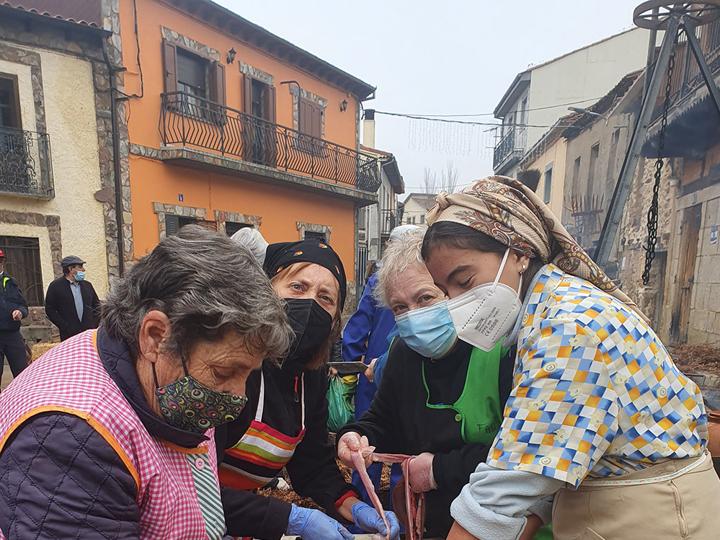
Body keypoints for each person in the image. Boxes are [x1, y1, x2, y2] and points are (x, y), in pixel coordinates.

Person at [419, 176, 720, 540]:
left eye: (464, 281)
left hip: (654, 519)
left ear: (518, 252)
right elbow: (547, 458)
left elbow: (510, 483)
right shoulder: (546, 313)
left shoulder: (568, 326)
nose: (457, 305)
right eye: (446, 292)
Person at [0, 226, 293, 538]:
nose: (238, 396)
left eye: (248, 374)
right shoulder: (70, 439)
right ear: (155, 335)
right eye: (224, 373)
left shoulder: (168, 377)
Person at [336, 226, 516, 538]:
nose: (413, 317)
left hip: (499, 523)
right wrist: (355, 436)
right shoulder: (403, 353)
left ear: (454, 290)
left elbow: (518, 456)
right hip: (430, 521)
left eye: (425, 298)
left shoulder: (501, 350)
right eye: (400, 307)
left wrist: (438, 470)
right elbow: (383, 419)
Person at [217, 238, 399, 540]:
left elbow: (312, 464)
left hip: (240, 521)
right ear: (266, 291)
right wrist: (291, 518)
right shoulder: (233, 366)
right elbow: (192, 485)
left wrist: (354, 507)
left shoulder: (310, 379)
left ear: (334, 321)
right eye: (297, 287)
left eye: (326, 298)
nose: (311, 303)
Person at [44, 255, 101, 341]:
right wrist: (64, 326)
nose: (83, 270)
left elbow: (97, 306)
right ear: (70, 269)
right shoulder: (55, 286)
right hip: (69, 335)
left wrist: (93, 324)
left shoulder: (87, 286)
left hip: (88, 333)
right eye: (80, 267)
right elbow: (50, 309)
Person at [0, 249, 28, 386]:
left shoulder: (11, 282)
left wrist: (20, 312)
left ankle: (24, 402)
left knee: (22, 373)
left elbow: (23, 306)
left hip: (12, 334)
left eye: (0, 260)